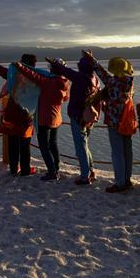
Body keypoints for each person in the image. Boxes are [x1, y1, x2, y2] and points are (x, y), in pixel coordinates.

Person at [83, 50, 135, 193]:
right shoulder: (129, 83)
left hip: (114, 122)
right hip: (127, 122)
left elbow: (101, 73)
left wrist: (91, 58)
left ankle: (119, 183)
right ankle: (127, 180)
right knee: (127, 152)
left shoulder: (113, 82)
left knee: (117, 153)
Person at [0, 54, 38, 176]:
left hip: (12, 112)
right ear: (34, 65)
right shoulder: (37, 78)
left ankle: (13, 168)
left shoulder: (15, 76)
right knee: (24, 144)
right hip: (26, 115)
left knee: (13, 142)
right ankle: (25, 169)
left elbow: (0, 70)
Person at [47, 55, 100, 185]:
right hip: (89, 117)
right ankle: (91, 170)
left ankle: (85, 176)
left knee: (80, 147)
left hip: (78, 116)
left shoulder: (80, 77)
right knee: (85, 144)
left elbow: (66, 72)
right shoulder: (95, 79)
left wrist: (54, 63)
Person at [14, 60, 70, 181]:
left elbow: (33, 75)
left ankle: (52, 172)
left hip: (44, 118)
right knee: (53, 144)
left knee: (44, 146)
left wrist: (20, 66)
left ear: (52, 69)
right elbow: (65, 98)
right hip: (57, 118)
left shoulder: (48, 82)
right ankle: (56, 167)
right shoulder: (65, 82)